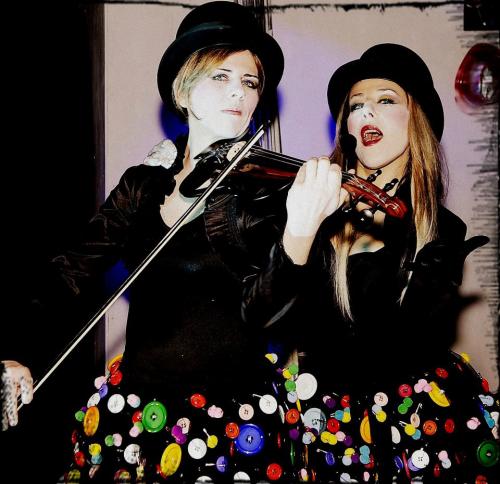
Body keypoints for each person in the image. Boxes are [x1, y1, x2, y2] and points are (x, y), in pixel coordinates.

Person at [2, 2, 289, 482]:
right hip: (139, 414)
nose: (238, 92)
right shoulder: (142, 185)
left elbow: (275, 307)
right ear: (184, 88)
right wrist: (19, 349)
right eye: (220, 76)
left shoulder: (265, 194)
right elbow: (70, 271)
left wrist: (302, 229)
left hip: (232, 424)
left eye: (250, 81)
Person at [242, 43, 499, 482]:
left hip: (408, 425)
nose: (366, 113)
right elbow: (262, 319)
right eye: (356, 106)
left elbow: (405, 344)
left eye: (386, 100)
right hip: (326, 422)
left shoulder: (438, 228)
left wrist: (428, 283)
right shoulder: (316, 213)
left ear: (415, 119)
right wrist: (301, 227)